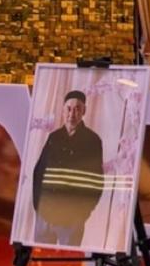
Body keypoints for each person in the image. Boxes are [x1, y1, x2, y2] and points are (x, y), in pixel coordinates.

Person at [32, 90, 104, 248]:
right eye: (69, 109)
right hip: (45, 213)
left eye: (77, 109)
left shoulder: (92, 141)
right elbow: (39, 172)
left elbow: (96, 181)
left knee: (68, 258)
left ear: (84, 111)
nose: (72, 114)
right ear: (63, 110)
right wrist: (38, 206)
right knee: (40, 257)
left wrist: (83, 213)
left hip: (72, 218)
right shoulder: (54, 137)